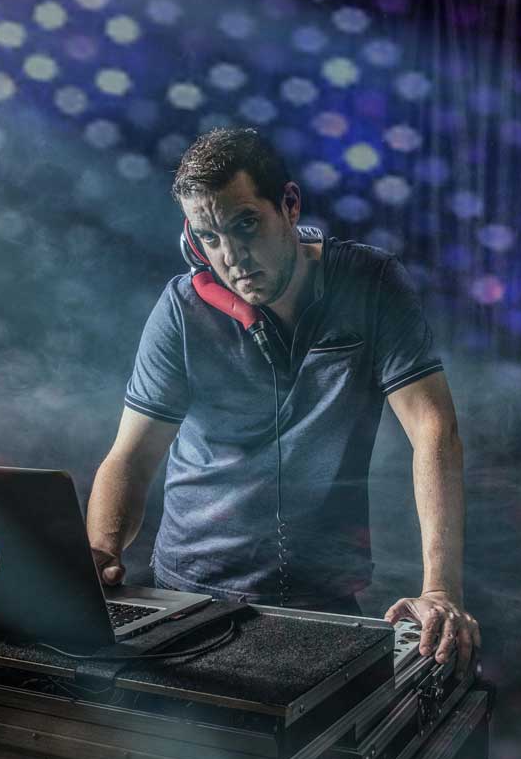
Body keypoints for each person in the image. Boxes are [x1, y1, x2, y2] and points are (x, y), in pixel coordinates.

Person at [85, 128, 479, 667]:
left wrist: (440, 590)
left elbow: (435, 430)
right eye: (209, 237)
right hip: (186, 592)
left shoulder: (371, 283)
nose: (232, 257)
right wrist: (102, 552)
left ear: (290, 205)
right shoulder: (181, 310)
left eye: (245, 224)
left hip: (322, 597)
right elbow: (130, 457)